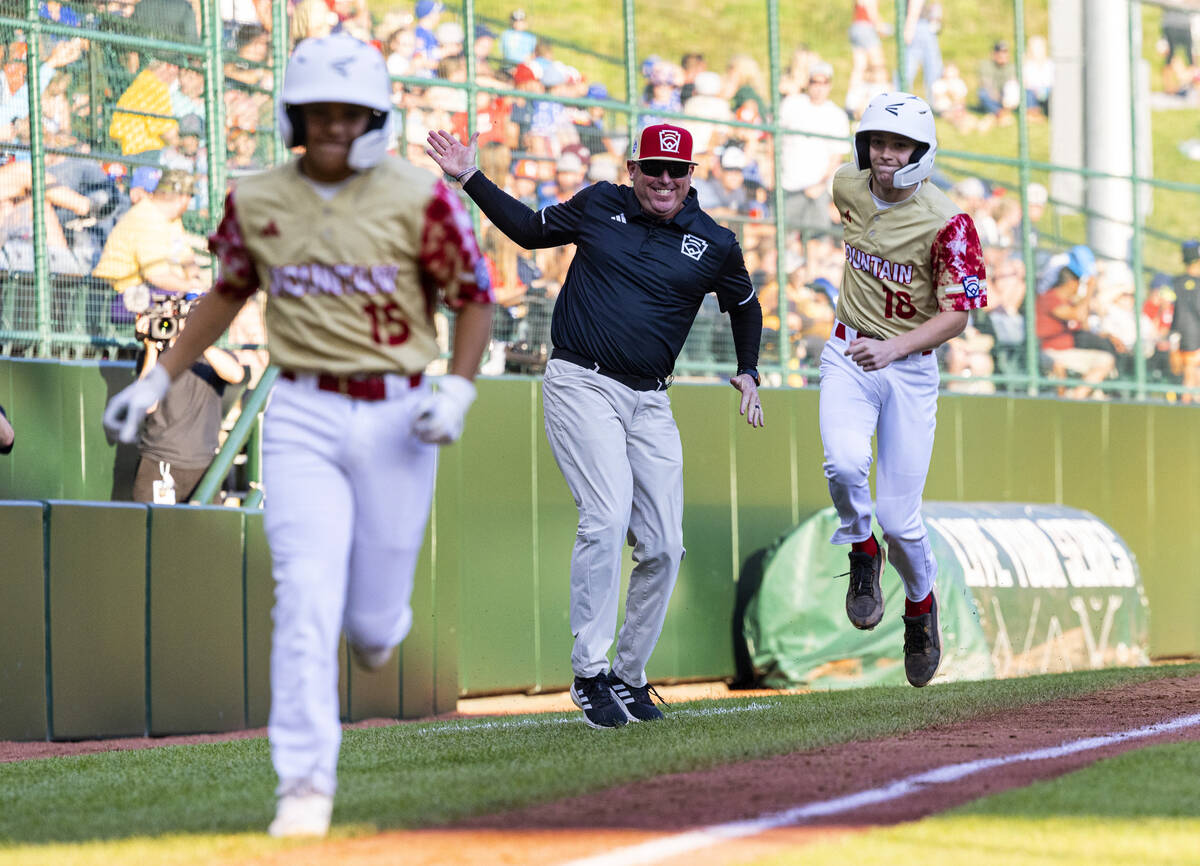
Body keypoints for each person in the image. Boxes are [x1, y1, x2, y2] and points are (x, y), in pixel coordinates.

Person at [101, 34, 494, 838]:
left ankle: (380, 628)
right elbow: (225, 292)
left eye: (350, 114)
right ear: (293, 117)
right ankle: (305, 787)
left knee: (376, 628)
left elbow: (474, 296)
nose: (334, 128)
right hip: (305, 408)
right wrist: (158, 374)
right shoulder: (259, 197)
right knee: (303, 597)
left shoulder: (421, 198)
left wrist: (456, 385)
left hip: (398, 412)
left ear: (376, 118)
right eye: (319, 113)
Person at [425, 121, 764, 727]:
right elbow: (530, 232)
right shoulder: (598, 203)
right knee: (606, 518)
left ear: (691, 177)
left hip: (652, 401)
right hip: (582, 380)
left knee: (664, 545)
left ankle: (630, 677)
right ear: (631, 168)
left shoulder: (714, 241)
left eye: (675, 171)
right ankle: (589, 671)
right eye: (652, 168)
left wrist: (748, 369)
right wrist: (470, 177)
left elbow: (743, 302)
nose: (663, 180)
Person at [822, 92, 987, 688]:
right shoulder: (848, 184)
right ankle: (860, 550)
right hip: (847, 349)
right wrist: (874, 345)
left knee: (901, 519)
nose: (885, 155)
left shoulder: (950, 222)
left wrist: (895, 347)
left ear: (922, 152)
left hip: (909, 367)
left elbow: (959, 316)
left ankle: (921, 604)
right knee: (843, 464)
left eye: (899, 146)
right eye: (877, 142)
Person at [130, 307, 245, 504]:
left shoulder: (214, 357)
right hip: (158, 461)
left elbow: (236, 374)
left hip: (202, 466)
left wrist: (197, 340)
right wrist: (151, 348)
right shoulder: (159, 355)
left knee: (206, 532)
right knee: (155, 531)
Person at [1171, 240, 1200, 401]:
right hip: (1193, 341)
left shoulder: (1175, 282)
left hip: (1180, 340)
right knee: (1189, 381)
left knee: (1190, 380)